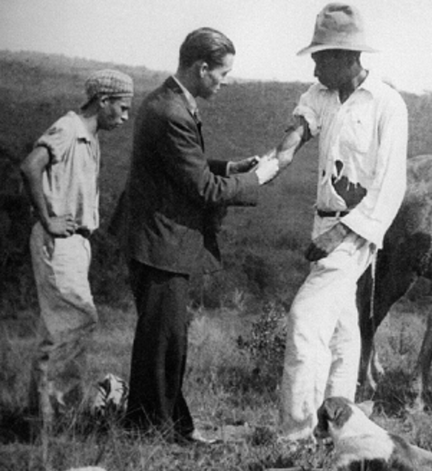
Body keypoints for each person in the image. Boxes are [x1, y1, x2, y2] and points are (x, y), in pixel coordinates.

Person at [120, 27, 279, 444]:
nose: (224, 82)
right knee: (164, 342)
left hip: (158, 239)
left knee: (162, 340)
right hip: (161, 241)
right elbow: (202, 189)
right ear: (201, 67)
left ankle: (154, 423)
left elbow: (186, 164)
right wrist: (257, 180)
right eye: (221, 74)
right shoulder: (171, 111)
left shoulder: (169, 102)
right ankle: (156, 431)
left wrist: (229, 167)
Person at [258, 3, 408, 442]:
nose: (315, 65)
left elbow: (389, 185)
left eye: (322, 57)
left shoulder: (387, 104)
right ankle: (338, 424)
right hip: (322, 225)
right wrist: (264, 169)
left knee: (305, 320)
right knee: (343, 326)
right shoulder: (320, 94)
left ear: (348, 57)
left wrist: (341, 234)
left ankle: (296, 433)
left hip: (355, 229)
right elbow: (296, 133)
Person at [21, 69, 134, 427]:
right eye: (122, 107)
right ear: (103, 101)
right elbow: (30, 166)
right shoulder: (69, 129)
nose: (125, 116)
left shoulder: (89, 136)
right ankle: (55, 417)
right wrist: (49, 219)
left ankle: (41, 415)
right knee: (76, 320)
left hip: (76, 241)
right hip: (60, 238)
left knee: (61, 327)